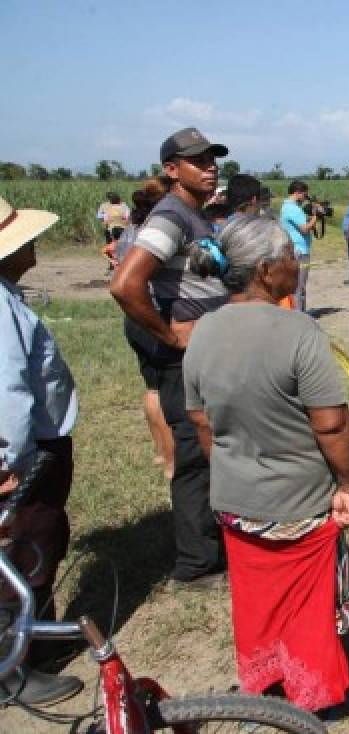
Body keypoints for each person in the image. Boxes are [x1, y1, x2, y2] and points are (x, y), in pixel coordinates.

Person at [183, 214, 349, 719]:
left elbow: (202, 424)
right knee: (305, 603)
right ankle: (315, 698)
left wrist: (235, 471)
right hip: (299, 503)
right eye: (289, 257)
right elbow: (330, 425)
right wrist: (348, 482)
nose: (295, 265)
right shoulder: (299, 330)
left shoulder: (202, 332)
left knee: (257, 597)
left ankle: (264, 681)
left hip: (236, 504)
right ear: (265, 270)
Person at [109, 127, 230, 590]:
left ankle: (211, 545)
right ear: (172, 169)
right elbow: (125, 285)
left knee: (207, 450)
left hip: (203, 354)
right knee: (195, 456)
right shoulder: (172, 217)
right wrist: (171, 337)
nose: (210, 166)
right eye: (197, 160)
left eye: (212, 158)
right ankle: (196, 566)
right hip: (184, 360)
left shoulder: (194, 215)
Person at [0, 196, 85, 705]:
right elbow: (7, 393)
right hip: (25, 456)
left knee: (44, 539)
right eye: (22, 238)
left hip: (35, 449)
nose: (32, 245)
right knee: (24, 552)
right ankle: (13, 671)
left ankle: (40, 637)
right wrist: (12, 462)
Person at [117, 179, 175, 479]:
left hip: (134, 319)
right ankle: (171, 459)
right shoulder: (157, 236)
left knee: (152, 387)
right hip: (154, 316)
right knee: (168, 389)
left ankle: (161, 451)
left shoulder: (130, 233)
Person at [280, 180, 317, 312]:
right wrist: (315, 217)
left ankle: (299, 312)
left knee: (296, 287)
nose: (305, 198)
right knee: (299, 287)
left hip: (294, 249)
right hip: (299, 252)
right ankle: (299, 315)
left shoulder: (287, 207)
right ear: (297, 193)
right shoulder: (293, 208)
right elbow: (305, 229)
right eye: (305, 195)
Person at [100, 193, 131, 274]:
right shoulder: (124, 208)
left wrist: (109, 223)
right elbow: (128, 219)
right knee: (124, 248)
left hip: (112, 230)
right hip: (123, 231)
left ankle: (112, 265)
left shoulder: (108, 209)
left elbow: (105, 221)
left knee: (111, 249)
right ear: (119, 200)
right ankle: (124, 266)